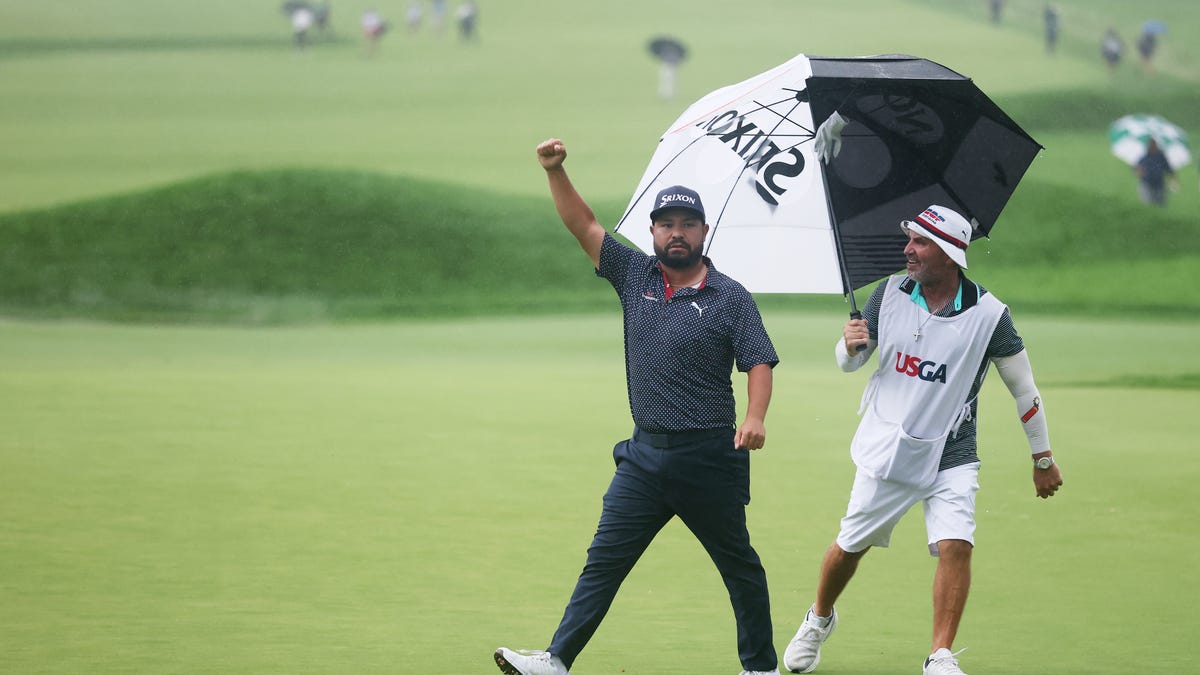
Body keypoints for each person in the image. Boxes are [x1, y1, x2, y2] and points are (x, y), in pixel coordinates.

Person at [493, 138, 782, 675]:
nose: (677, 232)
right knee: (603, 561)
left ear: (703, 232)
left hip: (709, 457)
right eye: (666, 223)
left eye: (687, 223)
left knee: (739, 566)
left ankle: (760, 667)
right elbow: (584, 226)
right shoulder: (635, 276)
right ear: (652, 233)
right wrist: (556, 171)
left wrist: (756, 415)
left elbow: (759, 361)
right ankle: (556, 660)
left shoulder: (731, 296)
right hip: (645, 457)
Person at [782, 205, 1063, 675]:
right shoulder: (888, 292)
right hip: (888, 447)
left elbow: (1025, 390)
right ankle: (819, 619)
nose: (907, 250)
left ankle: (940, 654)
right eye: (909, 239)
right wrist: (848, 346)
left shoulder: (990, 315)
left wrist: (1043, 457)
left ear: (952, 254)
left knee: (956, 544)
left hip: (952, 450)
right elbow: (852, 362)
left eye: (920, 242)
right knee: (849, 547)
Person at [1135, 139, 1177, 206]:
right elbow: (1136, 167)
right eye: (1151, 145)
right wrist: (1139, 171)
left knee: (1160, 202)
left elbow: (1168, 168)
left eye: (1154, 145)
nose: (1153, 147)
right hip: (1146, 183)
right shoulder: (1144, 156)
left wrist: (1173, 176)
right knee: (1148, 203)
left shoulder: (1161, 156)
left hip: (1159, 183)